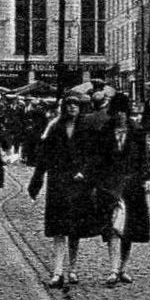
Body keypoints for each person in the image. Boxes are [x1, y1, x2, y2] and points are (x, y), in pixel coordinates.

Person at [30, 93, 105, 288]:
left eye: (76, 105)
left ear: (81, 108)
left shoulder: (87, 129)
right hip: (59, 182)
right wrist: (36, 181)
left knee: (74, 230)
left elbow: (95, 155)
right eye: (69, 105)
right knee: (59, 229)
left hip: (79, 185)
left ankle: (72, 268)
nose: (72, 108)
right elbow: (44, 156)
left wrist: (85, 172)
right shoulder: (55, 127)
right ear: (64, 107)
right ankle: (57, 272)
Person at [98, 92, 150, 287]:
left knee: (129, 229)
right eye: (117, 111)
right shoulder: (105, 131)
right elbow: (98, 158)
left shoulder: (137, 131)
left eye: (123, 111)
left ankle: (123, 268)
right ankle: (112, 269)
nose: (120, 115)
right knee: (113, 227)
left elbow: (145, 157)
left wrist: (147, 177)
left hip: (132, 184)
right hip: (111, 185)